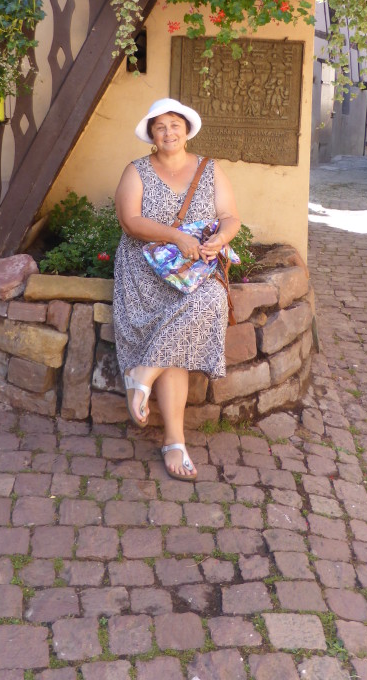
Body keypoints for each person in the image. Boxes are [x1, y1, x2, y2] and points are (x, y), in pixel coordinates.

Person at [113, 97, 241, 480]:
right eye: (160, 126)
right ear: (152, 134)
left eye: (174, 125)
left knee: (213, 296)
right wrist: (174, 236)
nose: (168, 132)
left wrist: (220, 239)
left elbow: (230, 216)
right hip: (144, 269)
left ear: (186, 129)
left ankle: (143, 373)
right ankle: (174, 440)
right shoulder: (136, 170)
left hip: (194, 268)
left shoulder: (210, 168)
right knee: (180, 335)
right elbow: (130, 221)